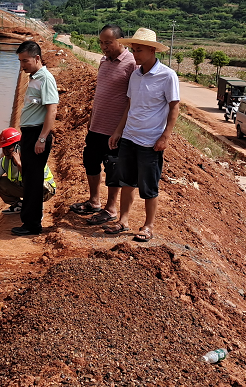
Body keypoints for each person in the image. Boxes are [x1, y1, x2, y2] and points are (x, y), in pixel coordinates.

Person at [105, 28, 179, 242]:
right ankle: (123, 220)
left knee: (148, 186)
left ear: (152, 50)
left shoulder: (167, 76)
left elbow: (174, 108)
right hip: (129, 137)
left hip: (150, 141)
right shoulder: (135, 75)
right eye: (134, 50)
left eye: (139, 50)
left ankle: (148, 226)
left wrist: (165, 136)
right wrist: (118, 131)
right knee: (126, 181)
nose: (135, 54)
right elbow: (130, 105)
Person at [68, 24, 136, 226]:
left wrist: (120, 130)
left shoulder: (131, 64)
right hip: (96, 125)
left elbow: (131, 101)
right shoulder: (104, 61)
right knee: (90, 161)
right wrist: (90, 120)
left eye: (108, 42)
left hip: (115, 130)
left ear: (120, 41)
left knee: (113, 168)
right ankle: (94, 201)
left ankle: (111, 208)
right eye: (101, 42)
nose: (104, 47)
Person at [12, 40, 58, 236]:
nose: (22, 66)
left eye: (25, 61)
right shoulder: (35, 77)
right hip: (30, 134)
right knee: (29, 178)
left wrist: (42, 138)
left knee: (33, 179)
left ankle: (32, 225)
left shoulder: (46, 78)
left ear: (37, 58)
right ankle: (29, 221)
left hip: (37, 134)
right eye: (21, 62)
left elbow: (52, 109)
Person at [0, 128, 56, 216]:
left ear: (18, 145)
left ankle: (36, 206)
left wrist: (19, 164)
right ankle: (19, 205)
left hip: (45, 189)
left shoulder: (31, 157)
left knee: (35, 181)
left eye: (9, 148)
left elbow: (31, 179)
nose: (5, 152)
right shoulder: (4, 162)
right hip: (27, 188)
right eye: (3, 148)